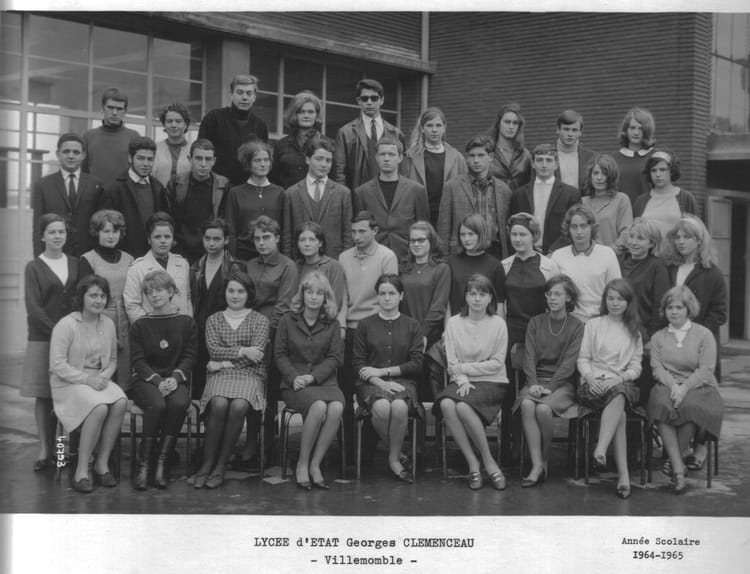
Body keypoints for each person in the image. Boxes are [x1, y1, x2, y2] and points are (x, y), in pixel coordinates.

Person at [191, 272, 270, 489]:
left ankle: (221, 466)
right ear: (224, 292)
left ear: (249, 294)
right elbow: (213, 350)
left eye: (240, 291)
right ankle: (207, 463)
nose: (235, 296)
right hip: (220, 375)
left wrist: (223, 362)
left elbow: (257, 356)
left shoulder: (260, 320)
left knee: (239, 405)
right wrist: (242, 351)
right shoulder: (214, 319)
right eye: (231, 291)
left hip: (250, 375)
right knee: (218, 403)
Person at [49, 275, 127, 492]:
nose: (98, 300)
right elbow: (57, 365)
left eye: (102, 296)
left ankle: (102, 464)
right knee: (99, 407)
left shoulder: (108, 324)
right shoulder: (66, 325)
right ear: (81, 297)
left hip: (98, 379)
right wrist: (88, 380)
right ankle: (82, 470)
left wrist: (104, 376)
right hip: (69, 381)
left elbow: (112, 360)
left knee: (121, 401)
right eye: (93, 295)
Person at [434, 273, 509, 490]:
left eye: (482, 294)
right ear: (466, 297)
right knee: (447, 404)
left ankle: (489, 461)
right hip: (462, 381)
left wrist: (464, 369)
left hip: (492, 380)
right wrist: (462, 379)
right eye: (473, 294)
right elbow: (452, 362)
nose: (477, 299)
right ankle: (472, 463)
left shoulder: (498, 324)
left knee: (463, 407)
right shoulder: (454, 323)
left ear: (490, 298)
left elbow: (496, 363)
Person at [664, 215, 727, 471]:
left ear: (699, 240)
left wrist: (696, 335)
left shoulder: (712, 273)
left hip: (702, 345)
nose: (681, 241)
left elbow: (719, 313)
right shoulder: (668, 268)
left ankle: (700, 449)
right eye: (677, 237)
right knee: (674, 395)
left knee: (702, 397)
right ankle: (676, 447)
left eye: (687, 237)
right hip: (671, 343)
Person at [647, 285, 723, 493]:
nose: (674, 311)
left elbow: (706, 369)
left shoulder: (704, 334)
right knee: (661, 404)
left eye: (679, 307)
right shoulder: (658, 337)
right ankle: (679, 469)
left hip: (700, 385)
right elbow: (657, 368)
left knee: (692, 407)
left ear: (689, 309)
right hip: (668, 384)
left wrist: (685, 388)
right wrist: (674, 386)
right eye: (670, 307)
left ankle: (673, 463)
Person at [238, 216, 298, 466]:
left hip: (274, 334)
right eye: (257, 238)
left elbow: (283, 307)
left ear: (277, 238)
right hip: (247, 331)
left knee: (269, 391)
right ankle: (251, 443)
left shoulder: (287, 266)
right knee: (251, 388)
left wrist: (262, 338)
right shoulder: (249, 265)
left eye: (266, 237)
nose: (261, 243)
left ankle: (268, 446)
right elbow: (241, 296)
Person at [129, 270, 198, 490]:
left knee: (179, 402)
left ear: (171, 291)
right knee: (157, 405)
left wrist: (176, 378)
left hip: (175, 379)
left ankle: (162, 461)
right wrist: (158, 381)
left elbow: (189, 357)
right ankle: (144, 464)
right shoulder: (139, 325)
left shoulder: (186, 322)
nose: (154, 295)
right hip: (146, 380)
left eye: (159, 290)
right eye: (149, 291)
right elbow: (138, 361)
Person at [275, 272, 345, 490]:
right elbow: (280, 354)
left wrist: (313, 377)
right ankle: (302, 464)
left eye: (319, 293)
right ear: (302, 294)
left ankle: (315, 464)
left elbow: (335, 357)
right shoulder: (288, 320)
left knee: (336, 407)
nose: (314, 297)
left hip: (324, 382)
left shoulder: (332, 324)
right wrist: (295, 377)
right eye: (309, 292)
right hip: (294, 383)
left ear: (326, 298)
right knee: (318, 406)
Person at [21, 213, 79, 472]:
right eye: (52, 232)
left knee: (65, 395)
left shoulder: (75, 263)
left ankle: (62, 451)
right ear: (42, 236)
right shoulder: (34, 267)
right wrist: (59, 332)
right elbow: (34, 309)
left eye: (61, 232)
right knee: (45, 395)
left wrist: (71, 334)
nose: (57, 236)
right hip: (43, 339)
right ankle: (45, 451)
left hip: (71, 341)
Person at [353, 274, 423, 483]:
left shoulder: (412, 325)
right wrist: (380, 381)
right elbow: (358, 364)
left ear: (401, 296)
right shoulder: (365, 325)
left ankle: (393, 459)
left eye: (391, 293)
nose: (386, 298)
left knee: (400, 407)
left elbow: (417, 363)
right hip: (370, 384)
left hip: (403, 381)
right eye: (382, 293)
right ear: (377, 296)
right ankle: (398, 455)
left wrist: (383, 372)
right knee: (382, 407)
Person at [577, 278, 643, 499]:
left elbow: (636, 367)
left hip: (620, 383)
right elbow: (583, 359)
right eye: (611, 298)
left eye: (620, 299)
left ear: (628, 302)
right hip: (593, 385)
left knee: (621, 393)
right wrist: (590, 379)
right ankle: (623, 476)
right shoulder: (593, 325)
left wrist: (619, 379)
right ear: (605, 300)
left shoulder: (634, 331)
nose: (615, 303)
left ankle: (601, 448)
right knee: (620, 414)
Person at [516, 274, 584, 487]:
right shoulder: (535, 322)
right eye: (549, 294)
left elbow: (569, 364)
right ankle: (537, 465)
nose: (552, 298)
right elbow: (529, 357)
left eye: (558, 294)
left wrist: (551, 387)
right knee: (527, 404)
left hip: (562, 384)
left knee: (544, 409)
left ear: (568, 297)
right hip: (535, 381)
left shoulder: (577, 326)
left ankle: (544, 460)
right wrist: (533, 383)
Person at [339, 211, 399, 449]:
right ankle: (348, 446)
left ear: (374, 231)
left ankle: (369, 446)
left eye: (362, 231)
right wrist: (341, 325)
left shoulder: (387, 256)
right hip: (350, 328)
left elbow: (388, 295)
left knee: (371, 388)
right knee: (345, 388)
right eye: (353, 231)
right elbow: (342, 296)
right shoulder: (344, 257)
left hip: (375, 328)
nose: (357, 236)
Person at [190, 219, 247, 401]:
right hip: (200, 330)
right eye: (207, 238)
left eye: (216, 239)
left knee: (221, 382)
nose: (211, 243)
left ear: (226, 240)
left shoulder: (237, 267)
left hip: (225, 332)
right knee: (199, 378)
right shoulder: (195, 267)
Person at [79, 210, 135, 389]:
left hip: (125, 321)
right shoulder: (88, 259)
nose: (111, 236)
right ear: (97, 232)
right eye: (106, 231)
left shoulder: (129, 259)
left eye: (115, 231)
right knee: (102, 374)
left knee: (124, 376)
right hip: (99, 321)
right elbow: (85, 297)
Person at [619, 218, 670, 405]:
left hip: (644, 336)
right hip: (619, 333)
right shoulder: (619, 262)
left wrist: (652, 338)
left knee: (640, 389)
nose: (633, 242)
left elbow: (660, 305)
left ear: (652, 243)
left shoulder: (657, 266)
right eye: (631, 236)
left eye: (640, 238)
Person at [353, 136, 429, 261]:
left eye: (391, 154)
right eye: (382, 154)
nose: (386, 158)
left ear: (400, 158)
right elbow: (359, 230)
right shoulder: (362, 192)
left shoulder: (416, 190)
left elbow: (424, 228)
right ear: (376, 157)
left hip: (407, 257)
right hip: (373, 258)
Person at [437, 134, 512, 259]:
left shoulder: (504, 190)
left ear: (491, 157)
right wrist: (444, 259)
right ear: (467, 158)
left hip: (494, 252)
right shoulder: (452, 186)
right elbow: (443, 229)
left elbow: (506, 229)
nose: (476, 160)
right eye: (472, 156)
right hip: (462, 252)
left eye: (481, 155)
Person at [32, 133, 104, 256]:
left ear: (83, 155)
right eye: (66, 151)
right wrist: (39, 259)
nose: (71, 156)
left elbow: (100, 226)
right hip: (55, 254)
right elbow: (38, 227)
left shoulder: (96, 184)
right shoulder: (43, 185)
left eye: (76, 152)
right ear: (57, 154)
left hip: (88, 255)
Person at [282, 136, 353, 258]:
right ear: (308, 159)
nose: (324, 165)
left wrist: (345, 262)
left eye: (328, 160)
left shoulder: (343, 193)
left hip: (333, 260)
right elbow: (287, 236)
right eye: (319, 159)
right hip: (301, 261)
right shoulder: (291, 193)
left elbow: (348, 234)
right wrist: (290, 264)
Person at [550, 204, 621, 323]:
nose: (579, 232)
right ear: (568, 229)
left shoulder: (607, 254)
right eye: (574, 227)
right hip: (569, 322)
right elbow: (553, 294)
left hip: (601, 320)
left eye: (583, 226)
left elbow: (616, 291)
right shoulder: (558, 256)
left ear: (591, 227)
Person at [333, 78, 405, 191]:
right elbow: (339, 172)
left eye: (374, 98)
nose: (369, 102)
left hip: (389, 193)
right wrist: (344, 198)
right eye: (364, 98)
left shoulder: (396, 133)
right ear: (359, 101)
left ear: (381, 100)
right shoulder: (345, 133)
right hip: (357, 194)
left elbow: (403, 170)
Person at [197, 74, 269, 186]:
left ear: (254, 97)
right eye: (240, 92)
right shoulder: (213, 118)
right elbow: (201, 154)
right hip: (216, 187)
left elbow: (263, 161)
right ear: (231, 94)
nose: (244, 97)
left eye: (249, 93)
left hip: (248, 189)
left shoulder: (260, 125)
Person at [99, 136, 165, 257]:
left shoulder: (158, 187)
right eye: (141, 158)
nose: (146, 164)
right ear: (130, 158)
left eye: (150, 159)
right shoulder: (113, 188)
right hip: (123, 255)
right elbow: (106, 228)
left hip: (152, 255)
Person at [400, 107, 467, 226]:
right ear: (422, 128)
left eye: (438, 125)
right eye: (429, 125)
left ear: (444, 127)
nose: (434, 130)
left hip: (448, 219)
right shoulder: (410, 157)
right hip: (418, 218)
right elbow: (402, 191)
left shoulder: (457, 158)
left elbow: (464, 193)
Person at [510, 143, 581, 254]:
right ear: (532, 164)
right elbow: (514, 226)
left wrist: (553, 251)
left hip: (559, 253)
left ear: (556, 165)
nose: (544, 165)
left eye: (548, 160)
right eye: (539, 160)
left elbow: (573, 226)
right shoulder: (519, 194)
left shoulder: (571, 194)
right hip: (527, 253)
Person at [123, 212, 192, 323]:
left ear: (173, 239)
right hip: (152, 326)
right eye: (157, 237)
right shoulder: (137, 268)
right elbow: (132, 305)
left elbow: (187, 298)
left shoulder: (183, 264)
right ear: (149, 240)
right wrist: (148, 328)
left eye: (167, 236)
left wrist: (187, 323)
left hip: (180, 325)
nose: (163, 241)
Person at [226, 140, 284, 261]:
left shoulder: (280, 192)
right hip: (243, 257)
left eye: (266, 160)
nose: (263, 164)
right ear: (248, 163)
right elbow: (231, 231)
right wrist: (233, 260)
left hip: (273, 258)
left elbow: (285, 230)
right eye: (257, 160)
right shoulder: (236, 193)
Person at [399, 221, 450, 351]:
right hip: (404, 334)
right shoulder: (404, 268)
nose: (416, 244)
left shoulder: (441, 269)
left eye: (421, 240)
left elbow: (439, 307)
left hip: (430, 337)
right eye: (412, 240)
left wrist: (421, 334)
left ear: (431, 241)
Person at [633, 150, 697, 251]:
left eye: (662, 170)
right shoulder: (641, 201)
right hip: (648, 257)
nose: (658, 174)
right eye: (653, 170)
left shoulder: (686, 198)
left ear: (672, 171)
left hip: (676, 257)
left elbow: (696, 233)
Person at [446, 213, 505, 317]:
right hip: (457, 322)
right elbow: (447, 302)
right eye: (462, 234)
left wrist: (500, 326)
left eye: (471, 234)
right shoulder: (451, 263)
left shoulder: (496, 266)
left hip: (486, 323)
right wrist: (448, 325)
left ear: (481, 234)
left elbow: (499, 304)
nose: (466, 239)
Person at [294, 222, 348, 333]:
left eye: (312, 240)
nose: (307, 244)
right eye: (302, 240)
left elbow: (336, 302)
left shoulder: (333, 266)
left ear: (320, 243)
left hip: (325, 326)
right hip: (299, 326)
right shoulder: (296, 266)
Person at [82, 87, 139, 184]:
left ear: (125, 111)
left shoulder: (134, 137)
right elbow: (83, 172)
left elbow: (137, 171)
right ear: (103, 108)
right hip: (94, 192)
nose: (115, 113)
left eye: (119, 109)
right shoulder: (88, 137)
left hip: (124, 192)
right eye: (110, 107)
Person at [270, 91, 324, 190]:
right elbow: (273, 179)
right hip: (286, 197)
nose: (306, 115)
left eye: (311, 112)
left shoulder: (327, 145)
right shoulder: (280, 145)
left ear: (316, 115)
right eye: (301, 112)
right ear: (294, 114)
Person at [581, 154, 633, 251]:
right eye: (595, 173)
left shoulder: (621, 199)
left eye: (604, 174)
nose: (599, 177)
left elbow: (626, 233)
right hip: (586, 257)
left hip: (614, 256)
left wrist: (608, 253)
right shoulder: (582, 202)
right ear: (590, 176)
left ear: (611, 176)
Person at [612, 107, 656, 207]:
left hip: (648, 212)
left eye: (640, 128)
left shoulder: (655, 157)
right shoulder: (614, 159)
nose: (636, 132)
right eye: (632, 128)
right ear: (626, 130)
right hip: (621, 212)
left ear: (646, 131)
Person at [488, 103, 533, 191]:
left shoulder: (525, 155)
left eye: (515, 123)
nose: (511, 127)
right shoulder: (488, 151)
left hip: (519, 199)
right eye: (507, 122)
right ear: (498, 124)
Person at [554, 110, 597, 193]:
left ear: (580, 132)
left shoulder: (592, 158)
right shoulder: (545, 156)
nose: (570, 134)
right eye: (566, 129)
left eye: (574, 130)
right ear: (558, 129)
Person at [152, 102, 192, 187]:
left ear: (186, 124)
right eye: (169, 121)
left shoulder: (193, 150)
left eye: (178, 121)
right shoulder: (154, 148)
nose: (174, 125)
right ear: (164, 124)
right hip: (158, 194)